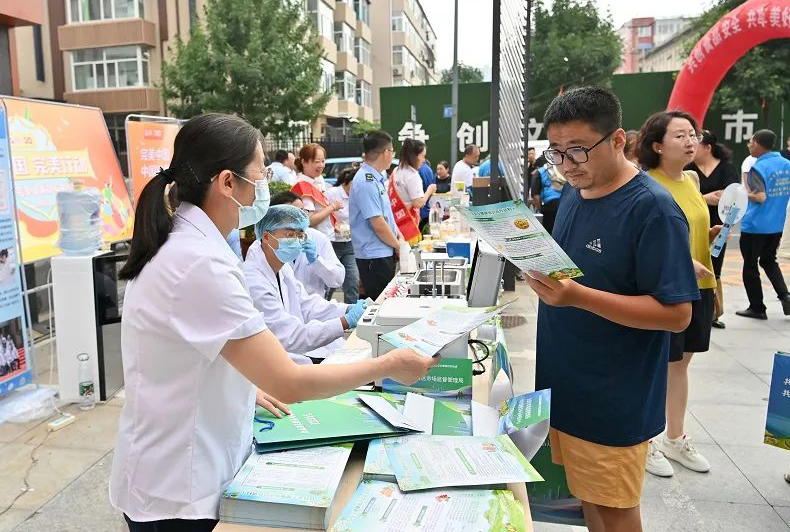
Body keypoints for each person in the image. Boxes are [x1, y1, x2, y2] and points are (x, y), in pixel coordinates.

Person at [109, 114, 436, 531]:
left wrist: (246, 385)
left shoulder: (188, 244)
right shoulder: (199, 262)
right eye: (259, 172)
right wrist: (389, 365)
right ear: (227, 183)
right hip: (179, 487)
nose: (264, 182)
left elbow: (201, 349)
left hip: (175, 467)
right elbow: (289, 382)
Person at [529, 87, 698, 532]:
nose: (568, 164)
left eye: (580, 150)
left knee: (617, 509)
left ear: (619, 140)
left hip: (613, 392)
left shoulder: (653, 209)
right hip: (565, 383)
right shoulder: (573, 193)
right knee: (587, 500)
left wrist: (576, 296)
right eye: (557, 152)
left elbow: (677, 313)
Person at [640, 110, 719, 479]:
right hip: (669, 288)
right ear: (657, 145)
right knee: (658, 365)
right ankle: (647, 441)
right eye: (680, 136)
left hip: (701, 286)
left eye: (693, 134)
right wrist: (683, 261)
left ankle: (675, 437)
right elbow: (650, 241)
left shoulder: (691, 179)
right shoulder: (646, 185)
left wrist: (709, 238)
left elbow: (689, 228)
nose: (691, 141)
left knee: (682, 365)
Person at [243, 204, 365, 363]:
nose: (296, 241)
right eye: (289, 234)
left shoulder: (282, 267)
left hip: (297, 349)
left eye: (300, 235)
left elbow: (307, 304)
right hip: (276, 361)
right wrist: (345, 322)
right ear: (266, 237)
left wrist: (347, 309)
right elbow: (290, 336)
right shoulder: (254, 281)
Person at [686, 130, 740, 329]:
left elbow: (733, 196)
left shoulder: (727, 168)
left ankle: (714, 312)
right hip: (695, 224)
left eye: (695, 141)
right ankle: (691, 308)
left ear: (708, 147)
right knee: (692, 261)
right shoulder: (688, 169)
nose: (691, 145)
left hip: (720, 226)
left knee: (714, 267)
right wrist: (706, 198)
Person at [736, 129, 790, 319]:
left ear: (758, 143)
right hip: (776, 224)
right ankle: (785, 296)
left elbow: (759, 197)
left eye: (751, 142)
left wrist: (740, 194)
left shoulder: (758, 168)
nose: (749, 145)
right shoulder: (787, 165)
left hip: (755, 225)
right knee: (768, 260)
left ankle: (757, 307)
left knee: (750, 266)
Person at [349, 131, 403, 300]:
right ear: (386, 153)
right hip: (374, 256)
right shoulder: (366, 181)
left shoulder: (375, 178)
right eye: (392, 151)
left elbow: (386, 216)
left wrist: (398, 236)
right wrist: (398, 246)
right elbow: (378, 224)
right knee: (380, 305)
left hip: (382, 251)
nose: (392, 155)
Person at [269, 192, 344, 298]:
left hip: (315, 308)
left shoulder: (318, 238)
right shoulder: (266, 241)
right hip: (279, 307)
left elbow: (337, 280)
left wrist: (317, 261)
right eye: (294, 213)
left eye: (303, 211)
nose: (301, 216)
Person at [292, 143, 343, 240]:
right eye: (317, 161)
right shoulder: (302, 185)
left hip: (327, 236)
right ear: (304, 162)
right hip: (315, 240)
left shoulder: (318, 179)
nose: (321, 165)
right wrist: (333, 207)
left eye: (323, 161)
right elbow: (309, 220)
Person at [325, 169, 359, 303]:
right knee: (330, 283)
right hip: (333, 244)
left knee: (353, 280)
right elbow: (322, 214)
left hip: (349, 243)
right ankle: (322, 311)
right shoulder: (332, 194)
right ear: (351, 183)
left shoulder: (357, 196)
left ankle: (352, 313)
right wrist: (334, 227)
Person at [392, 139, 436, 241]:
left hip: (395, 221)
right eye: (423, 156)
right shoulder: (412, 175)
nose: (424, 160)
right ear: (414, 156)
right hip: (407, 223)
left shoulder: (397, 170)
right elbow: (418, 203)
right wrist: (429, 190)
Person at [532, 164, 564, 234]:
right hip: (564, 204)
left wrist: (540, 210)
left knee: (549, 233)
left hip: (549, 207)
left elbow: (536, 196)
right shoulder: (562, 170)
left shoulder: (540, 172)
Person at [418, 158, 437, 228]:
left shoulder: (422, 169)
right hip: (424, 209)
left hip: (421, 210)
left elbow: (429, 189)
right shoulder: (425, 169)